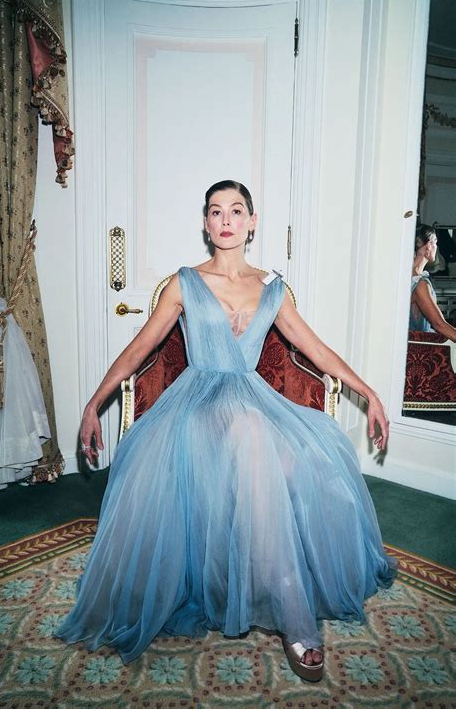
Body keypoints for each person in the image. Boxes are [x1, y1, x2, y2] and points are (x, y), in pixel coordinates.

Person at [55, 180, 397, 682]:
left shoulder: (272, 289)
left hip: (251, 403)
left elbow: (317, 349)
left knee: (289, 446)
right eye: (216, 212)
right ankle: (293, 617)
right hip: (194, 406)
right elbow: (140, 350)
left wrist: (370, 393)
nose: (227, 220)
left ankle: (279, 593)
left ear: (253, 221)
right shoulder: (185, 282)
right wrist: (94, 403)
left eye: (237, 211)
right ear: (206, 223)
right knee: (255, 434)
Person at [410, 224, 456, 341]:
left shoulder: (409, 278)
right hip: (417, 351)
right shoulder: (420, 284)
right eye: (435, 243)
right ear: (429, 246)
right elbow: (439, 324)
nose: (436, 247)